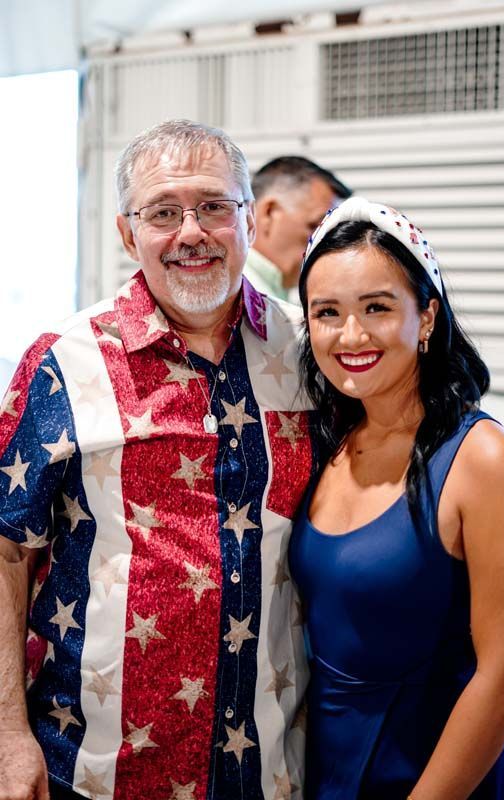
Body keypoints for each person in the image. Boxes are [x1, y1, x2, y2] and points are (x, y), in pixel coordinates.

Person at [0, 119, 319, 800]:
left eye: (212, 207)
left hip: (271, 770)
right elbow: (5, 550)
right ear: (127, 234)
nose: (191, 232)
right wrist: (6, 734)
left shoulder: (306, 356)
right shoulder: (61, 363)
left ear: (250, 222)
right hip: (91, 772)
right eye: (163, 213)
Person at [288, 197, 504, 799]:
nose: (351, 335)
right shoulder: (326, 441)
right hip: (321, 772)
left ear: (425, 317)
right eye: (327, 313)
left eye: (377, 307)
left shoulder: (484, 459)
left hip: (437, 778)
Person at [244, 156, 351, 301]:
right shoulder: (235, 296)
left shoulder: (282, 296)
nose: (325, 244)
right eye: (315, 227)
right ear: (270, 213)